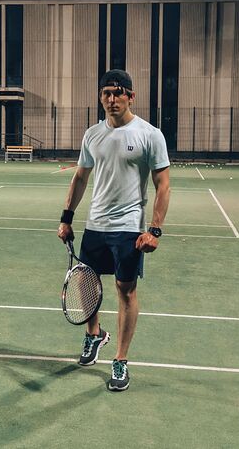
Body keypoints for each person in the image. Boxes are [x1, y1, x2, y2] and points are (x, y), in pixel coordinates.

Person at [58, 69, 170, 391]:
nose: (111, 99)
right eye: (105, 94)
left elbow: (163, 184)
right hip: (95, 224)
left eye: (117, 93)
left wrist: (155, 231)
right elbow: (80, 177)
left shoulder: (150, 135)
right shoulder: (93, 134)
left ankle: (120, 359)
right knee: (86, 283)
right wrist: (66, 217)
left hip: (128, 227)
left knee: (125, 289)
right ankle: (94, 335)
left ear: (130, 97)